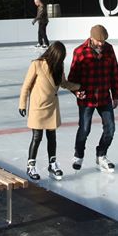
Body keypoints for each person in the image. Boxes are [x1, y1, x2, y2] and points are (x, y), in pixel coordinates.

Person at [19, 42, 80, 181]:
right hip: (38, 107)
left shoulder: (59, 66)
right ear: (53, 54)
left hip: (52, 107)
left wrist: (79, 87)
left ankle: (52, 164)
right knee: (37, 136)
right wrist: (22, 104)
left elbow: (63, 83)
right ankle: (31, 166)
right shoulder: (37, 64)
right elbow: (26, 86)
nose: (61, 60)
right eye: (60, 57)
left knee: (52, 136)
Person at [68, 25, 118, 173]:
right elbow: (72, 77)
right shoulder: (79, 52)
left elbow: (115, 72)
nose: (101, 44)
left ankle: (101, 155)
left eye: (103, 41)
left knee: (110, 129)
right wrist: (77, 92)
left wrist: (116, 94)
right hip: (87, 98)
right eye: (99, 41)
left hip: (104, 96)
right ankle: (78, 155)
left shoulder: (109, 49)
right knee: (85, 129)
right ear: (91, 38)